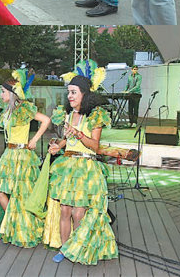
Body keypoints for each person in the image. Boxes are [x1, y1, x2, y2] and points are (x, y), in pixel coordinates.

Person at [44, 62, 118, 265]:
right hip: (68, 166)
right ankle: (65, 248)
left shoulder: (95, 116)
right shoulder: (68, 114)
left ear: (85, 94)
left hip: (86, 169)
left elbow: (94, 145)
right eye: (69, 92)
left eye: (74, 92)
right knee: (65, 210)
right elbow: (68, 140)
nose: (70, 96)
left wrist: (78, 132)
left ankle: (77, 249)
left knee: (78, 213)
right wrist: (58, 146)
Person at [0, 71, 50, 246]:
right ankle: (13, 220)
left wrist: (34, 139)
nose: (1, 94)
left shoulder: (23, 109)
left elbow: (46, 120)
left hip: (22, 155)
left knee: (21, 194)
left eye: (3, 91)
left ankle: (19, 225)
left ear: (11, 93)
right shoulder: (6, 112)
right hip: (9, 155)